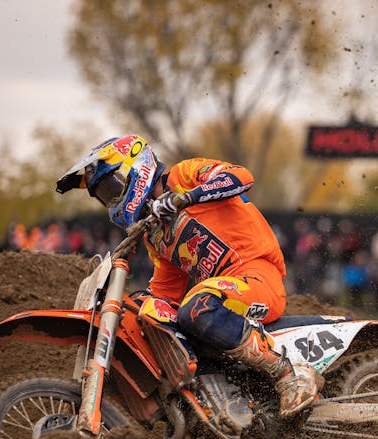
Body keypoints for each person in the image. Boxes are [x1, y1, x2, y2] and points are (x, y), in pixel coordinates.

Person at [55, 135, 320, 418]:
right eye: (103, 196)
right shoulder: (155, 235)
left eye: (111, 188)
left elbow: (241, 176)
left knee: (197, 306)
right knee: (147, 311)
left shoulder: (183, 176)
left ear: (134, 169)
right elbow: (166, 292)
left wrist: (186, 197)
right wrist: (133, 306)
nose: (111, 201)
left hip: (258, 277)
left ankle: (289, 373)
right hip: (224, 292)